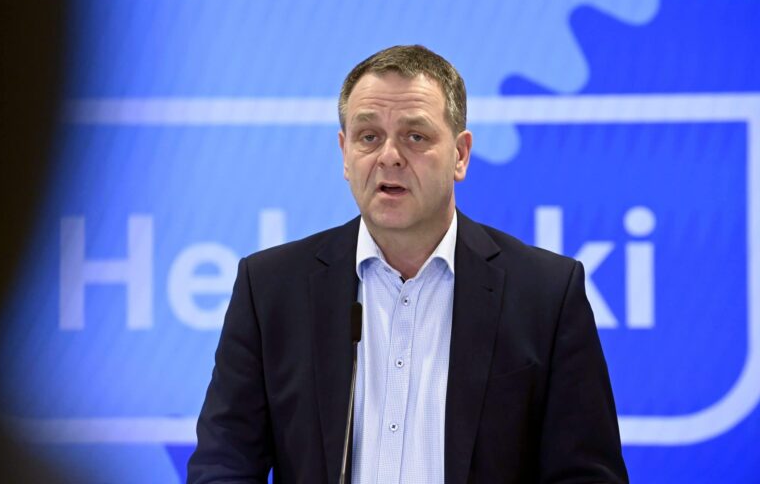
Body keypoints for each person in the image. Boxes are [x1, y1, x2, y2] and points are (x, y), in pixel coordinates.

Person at [188, 45, 628, 483]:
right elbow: (223, 465)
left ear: (460, 155)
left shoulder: (545, 294)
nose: (389, 156)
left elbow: (586, 476)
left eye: (415, 136)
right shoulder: (270, 289)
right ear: (345, 154)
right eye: (368, 136)